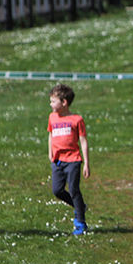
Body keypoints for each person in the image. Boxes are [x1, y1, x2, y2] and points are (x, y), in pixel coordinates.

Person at [47, 83, 91, 235]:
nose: (50, 104)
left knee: (73, 189)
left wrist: (86, 163)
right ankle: (80, 206)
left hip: (73, 160)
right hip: (58, 161)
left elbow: (83, 141)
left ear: (64, 103)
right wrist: (50, 152)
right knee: (57, 190)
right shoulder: (52, 118)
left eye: (53, 101)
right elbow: (51, 135)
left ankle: (80, 222)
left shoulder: (76, 120)